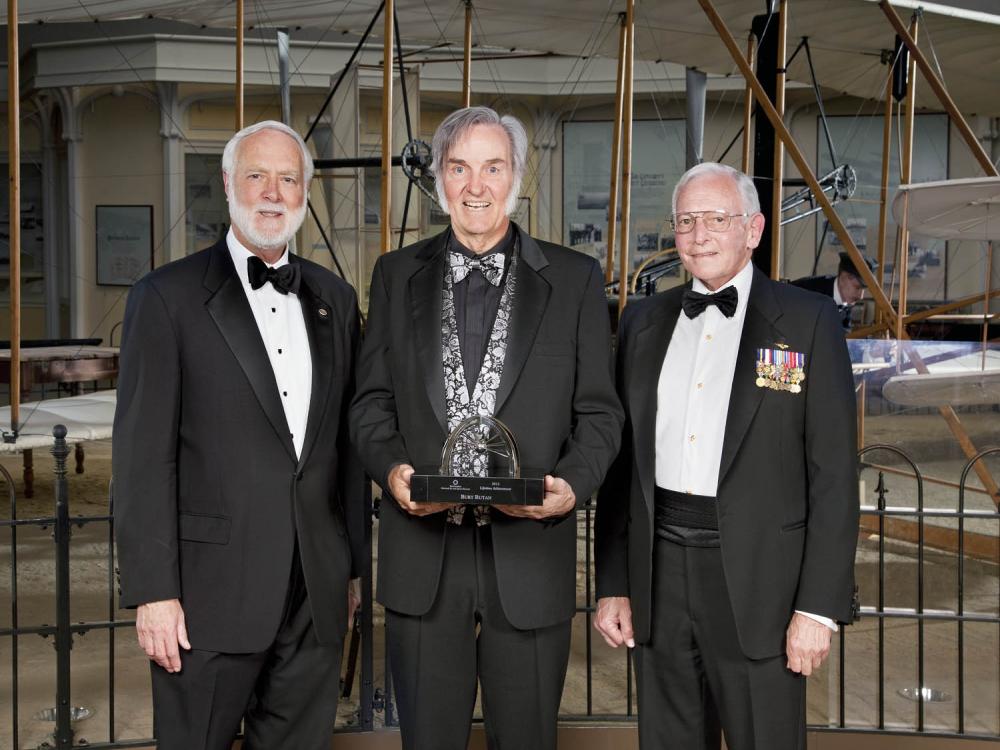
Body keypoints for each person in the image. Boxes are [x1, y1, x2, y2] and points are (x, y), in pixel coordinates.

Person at [350, 106, 623, 750]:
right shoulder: (394, 275)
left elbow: (601, 414)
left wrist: (572, 488)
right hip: (424, 562)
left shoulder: (576, 280)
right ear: (440, 180)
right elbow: (369, 404)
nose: (476, 185)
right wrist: (392, 472)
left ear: (517, 178)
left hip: (531, 560)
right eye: (459, 167)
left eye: (493, 167)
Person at [113, 120, 364, 750]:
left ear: (306, 192)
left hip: (313, 597)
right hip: (206, 600)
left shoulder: (335, 298)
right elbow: (142, 457)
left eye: (288, 178)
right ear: (228, 185)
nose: (272, 192)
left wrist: (353, 571)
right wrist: (153, 592)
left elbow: (346, 450)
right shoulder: (165, 298)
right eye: (257, 175)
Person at [594, 162, 858, 749]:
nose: (699, 235)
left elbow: (836, 476)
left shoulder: (808, 321)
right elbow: (621, 470)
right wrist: (614, 582)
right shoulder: (641, 322)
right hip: (658, 573)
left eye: (717, 218)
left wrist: (818, 609)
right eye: (686, 221)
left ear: (754, 230)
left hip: (762, 583)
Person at [791, 251, 878, 330]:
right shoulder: (811, 291)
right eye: (857, 287)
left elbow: (844, 330)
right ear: (844, 277)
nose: (861, 296)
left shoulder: (845, 298)